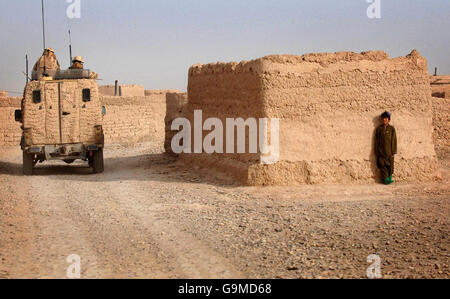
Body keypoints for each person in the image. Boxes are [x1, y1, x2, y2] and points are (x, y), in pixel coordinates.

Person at [375, 111, 398, 185]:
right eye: (383, 119)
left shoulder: (391, 129)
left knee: (390, 165)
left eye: (386, 118)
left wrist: (393, 151)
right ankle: (385, 180)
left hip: (389, 151)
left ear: (388, 119)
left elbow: (394, 140)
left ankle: (389, 178)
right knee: (383, 165)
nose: (384, 120)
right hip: (381, 151)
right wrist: (377, 151)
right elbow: (376, 141)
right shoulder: (379, 129)